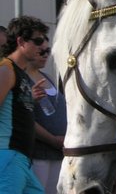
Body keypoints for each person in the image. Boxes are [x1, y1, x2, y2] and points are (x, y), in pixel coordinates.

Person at [0, 16, 48, 194]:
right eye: (37, 41)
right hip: (8, 156)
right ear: (20, 41)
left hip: (20, 160)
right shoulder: (6, 70)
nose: (42, 47)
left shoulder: (19, 73)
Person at [25, 35, 67, 193]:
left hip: (58, 154)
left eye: (47, 51)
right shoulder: (23, 79)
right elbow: (27, 117)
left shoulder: (47, 77)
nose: (45, 54)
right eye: (41, 50)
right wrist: (53, 140)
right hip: (38, 154)